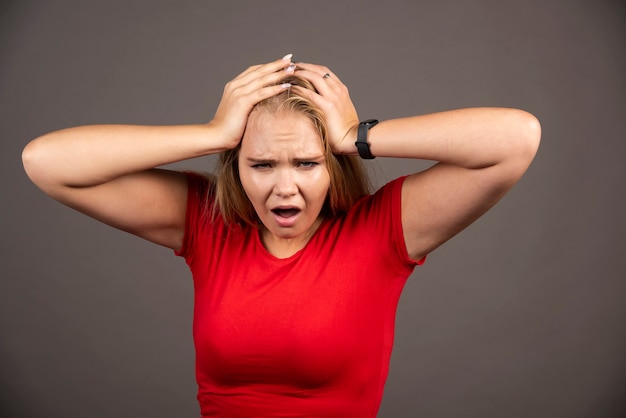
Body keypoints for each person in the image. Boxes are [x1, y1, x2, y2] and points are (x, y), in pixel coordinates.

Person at [22, 54, 541, 417]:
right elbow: (47, 162)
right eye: (262, 163)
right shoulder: (210, 224)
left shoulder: (381, 231)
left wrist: (355, 136)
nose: (284, 187)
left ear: (334, 167)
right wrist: (212, 134)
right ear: (237, 168)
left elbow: (515, 138)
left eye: (308, 162)